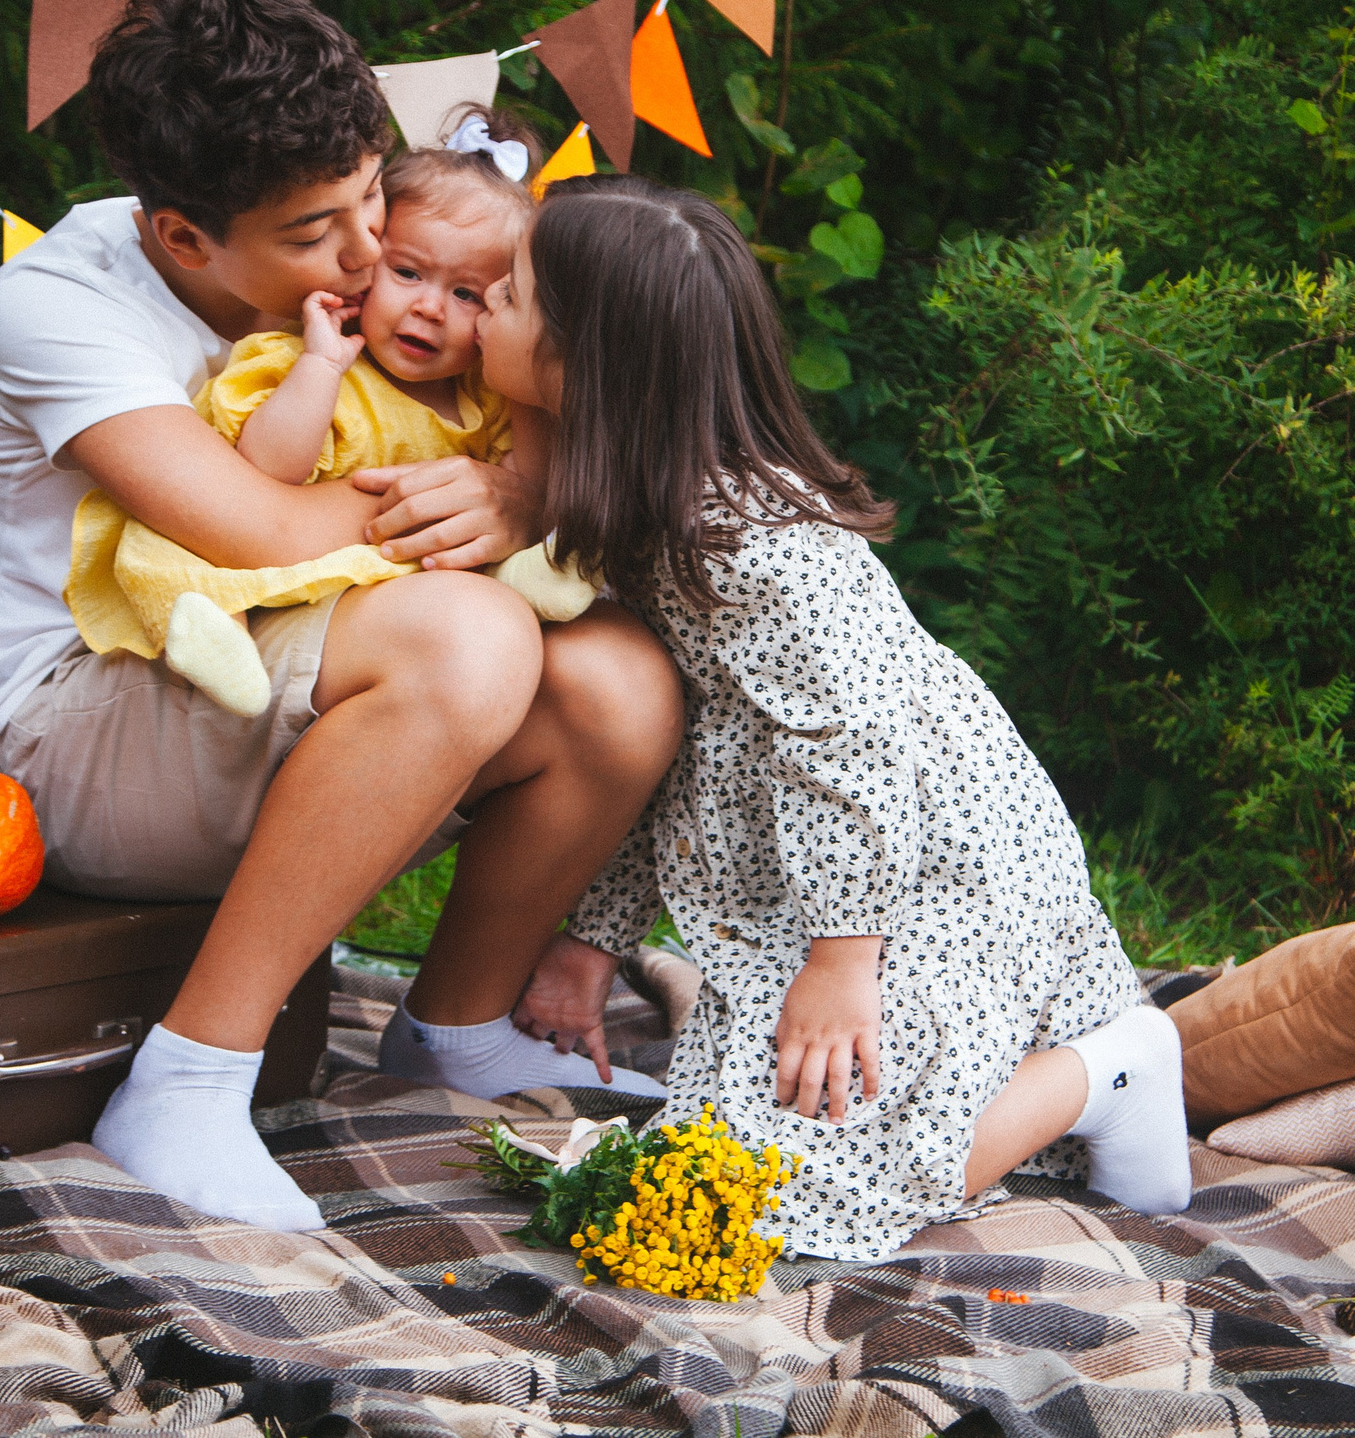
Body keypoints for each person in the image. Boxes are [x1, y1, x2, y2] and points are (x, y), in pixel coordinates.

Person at [0, 0, 683, 1232]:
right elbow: (258, 526)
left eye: (367, 201)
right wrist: (489, 502)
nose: (359, 257)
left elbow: (558, 392)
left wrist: (513, 483)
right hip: (81, 726)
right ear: (183, 239)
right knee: (472, 632)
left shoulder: (384, 273)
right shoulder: (59, 306)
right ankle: (186, 1082)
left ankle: (456, 1026)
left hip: (278, 667)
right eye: (309, 233)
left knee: (621, 686)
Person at [483, 175, 1191, 1262]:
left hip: (921, 878)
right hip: (803, 895)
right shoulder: (633, 516)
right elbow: (662, 757)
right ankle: (939, 1067)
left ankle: (1111, 1071)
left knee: (784, 1193)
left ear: (585, 365)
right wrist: (593, 944)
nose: (484, 300)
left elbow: (850, 755)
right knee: (717, 1148)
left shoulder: (757, 550)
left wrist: (841, 962)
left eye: (512, 292)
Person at [63, 107, 593, 718]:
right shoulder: (314, 358)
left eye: (468, 294)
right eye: (408, 272)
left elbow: (529, 481)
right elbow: (265, 466)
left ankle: (537, 578)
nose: (429, 308)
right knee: (171, 558)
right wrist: (320, 368)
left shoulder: (484, 397)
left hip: (377, 600)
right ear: (371, 260)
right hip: (267, 575)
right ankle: (219, 637)